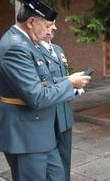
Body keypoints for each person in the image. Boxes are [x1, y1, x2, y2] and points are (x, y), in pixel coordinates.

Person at [0, 0, 91, 181]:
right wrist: (70, 83)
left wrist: (67, 80)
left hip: (41, 133)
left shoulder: (28, 43)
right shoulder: (16, 47)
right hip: (26, 136)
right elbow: (37, 96)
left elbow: (45, 82)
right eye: (48, 25)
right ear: (31, 22)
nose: (51, 30)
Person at [40, 22, 83, 181]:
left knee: (65, 156)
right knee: (51, 163)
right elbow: (45, 84)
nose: (54, 28)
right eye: (50, 25)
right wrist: (69, 83)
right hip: (50, 115)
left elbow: (65, 76)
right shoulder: (35, 49)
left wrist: (76, 87)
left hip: (65, 114)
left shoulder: (58, 49)